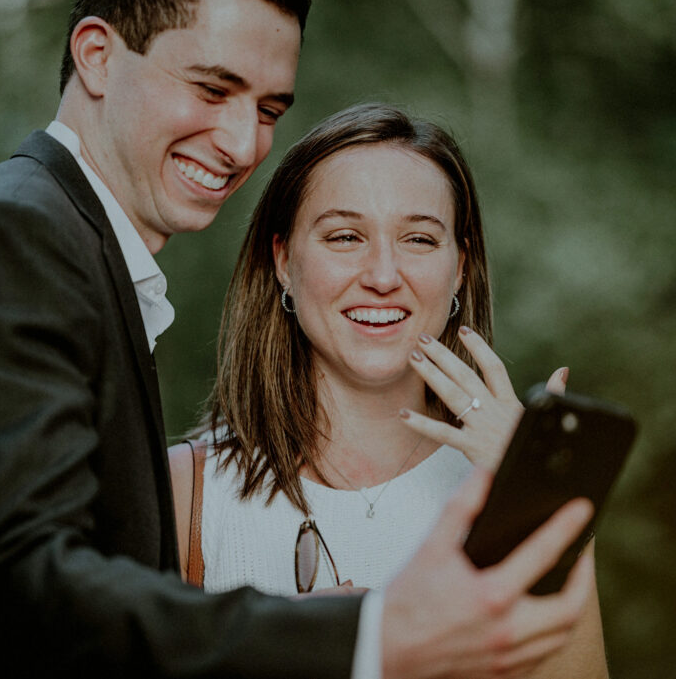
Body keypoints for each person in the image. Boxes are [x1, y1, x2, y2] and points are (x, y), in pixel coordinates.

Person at [0, 0, 595, 676]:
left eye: (267, 109)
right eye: (212, 87)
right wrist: (366, 637)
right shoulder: (12, 237)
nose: (240, 143)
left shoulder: (61, 249)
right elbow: (25, 596)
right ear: (96, 55)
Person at [170, 104, 609, 676]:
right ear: (283, 261)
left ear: (458, 268)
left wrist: (542, 498)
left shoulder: (512, 482)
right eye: (346, 236)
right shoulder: (185, 492)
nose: (382, 275)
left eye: (420, 240)